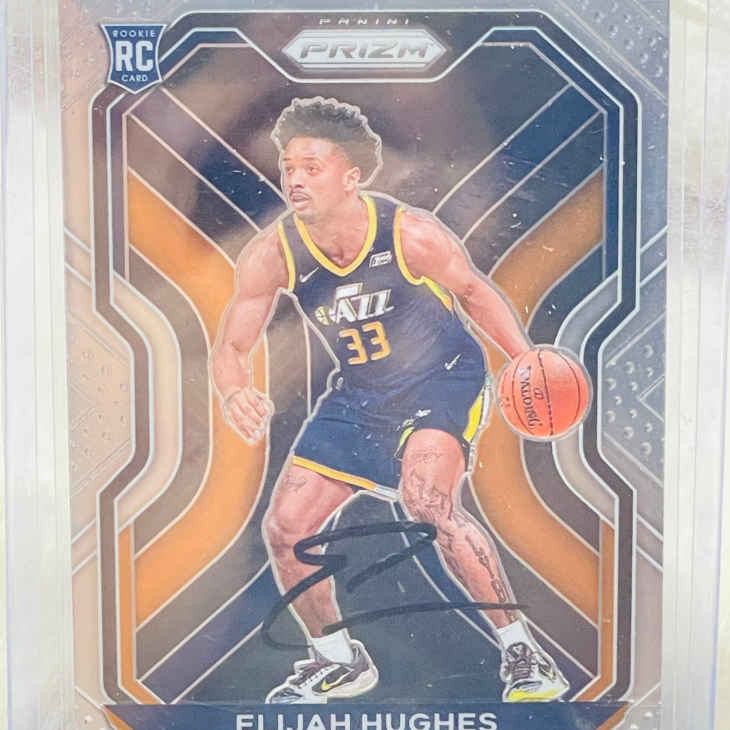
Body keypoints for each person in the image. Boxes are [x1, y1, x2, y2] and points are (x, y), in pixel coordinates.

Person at [210, 97, 569, 704]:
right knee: (285, 528)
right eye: (289, 167)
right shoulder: (274, 252)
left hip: (441, 379)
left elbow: (474, 293)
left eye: (312, 167)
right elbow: (231, 344)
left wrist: (523, 358)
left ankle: (523, 653)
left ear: (352, 176)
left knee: (426, 500)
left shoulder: (409, 233)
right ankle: (339, 661)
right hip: (361, 394)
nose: (295, 180)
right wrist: (234, 389)